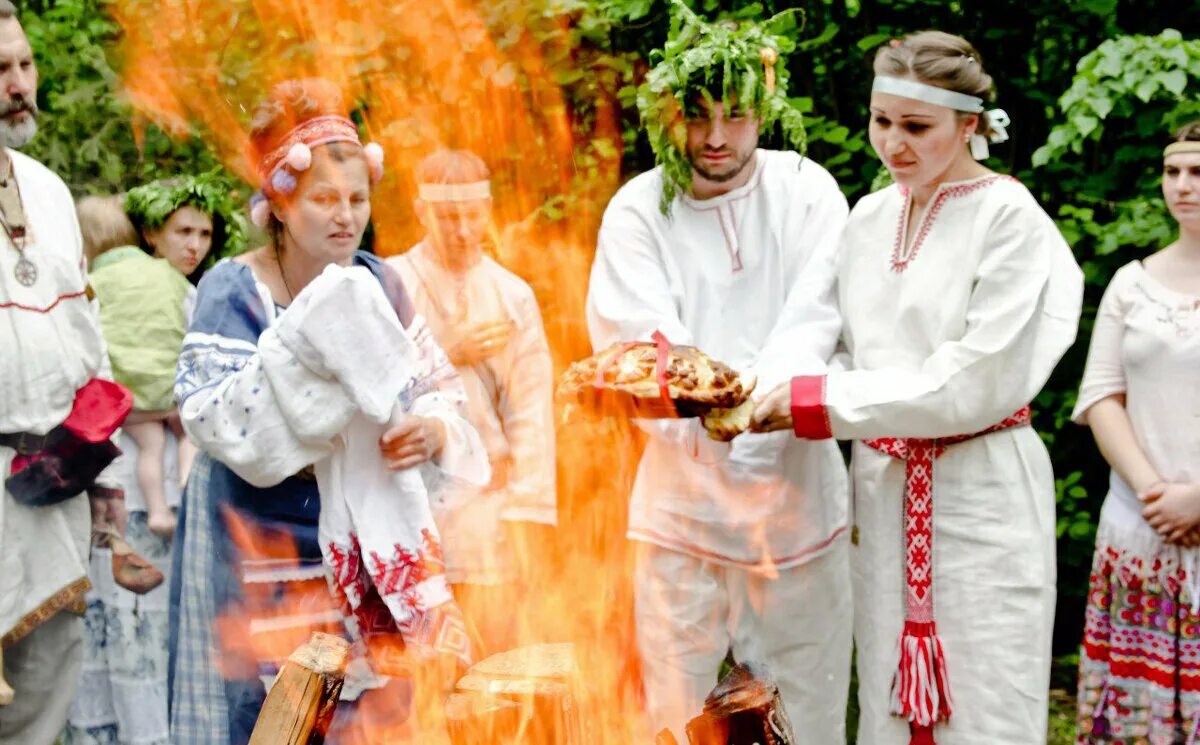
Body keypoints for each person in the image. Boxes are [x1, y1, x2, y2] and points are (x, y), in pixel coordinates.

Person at [750, 31, 1084, 744]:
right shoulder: (869, 216)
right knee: (888, 704)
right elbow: (815, 331)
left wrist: (820, 401)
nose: (893, 144)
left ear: (970, 124)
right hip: (885, 487)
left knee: (985, 702)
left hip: (981, 490)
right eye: (881, 121)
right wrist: (754, 390)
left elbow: (974, 377)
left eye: (916, 126)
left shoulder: (1010, 217)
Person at [167, 79, 488, 745]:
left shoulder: (379, 282)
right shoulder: (237, 287)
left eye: (357, 199)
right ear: (280, 204)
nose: (345, 217)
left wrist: (427, 429)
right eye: (323, 200)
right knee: (279, 718)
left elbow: (439, 389)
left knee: (369, 721)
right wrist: (309, 341)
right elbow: (214, 419)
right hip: (261, 546)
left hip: (362, 544)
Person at [585, 4, 851, 740]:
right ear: (667, 114)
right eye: (696, 115)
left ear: (765, 108)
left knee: (807, 712)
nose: (714, 138)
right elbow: (646, 342)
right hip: (682, 509)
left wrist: (756, 413)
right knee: (676, 715)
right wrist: (719, 423)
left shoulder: (806, 189)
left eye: (735, 115)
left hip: (797, 501)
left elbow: (817, 318)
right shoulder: (637, 210)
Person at [65, 182, 242, 745]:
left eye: (202, 234)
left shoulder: (94, 289)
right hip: (152, 469)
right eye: (182, 232)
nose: (193, 244)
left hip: (110, 462)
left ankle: (121, 730)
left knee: (125, 617)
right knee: (149, 616)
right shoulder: (173, 290)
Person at [0, 2, 131, 743]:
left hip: (53, 483)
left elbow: (88, 336)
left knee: (44, 701)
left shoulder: (49, 190)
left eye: (24, 65)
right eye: (0, 70)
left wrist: (106, 477)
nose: (19, 84)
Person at [388, 149, 555, 656]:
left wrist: (529, 510)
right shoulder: (388, 282)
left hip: (490, 513)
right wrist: (448, 350)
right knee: (419, 671)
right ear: (422, 213)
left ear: (487, 209)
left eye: (472, 216)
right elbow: (367, 389)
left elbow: (531, 411)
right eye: (447, 217)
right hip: (406, 508)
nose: (462, 230)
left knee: (495, 665)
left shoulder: (512, 295)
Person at [1073, 122, 1200, 742]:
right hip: (1138, 525)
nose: (1183, 186)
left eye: (1198, 173)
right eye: (1174, 172)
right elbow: (1100, 396)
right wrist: (1156, 494)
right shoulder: (1132, 282)